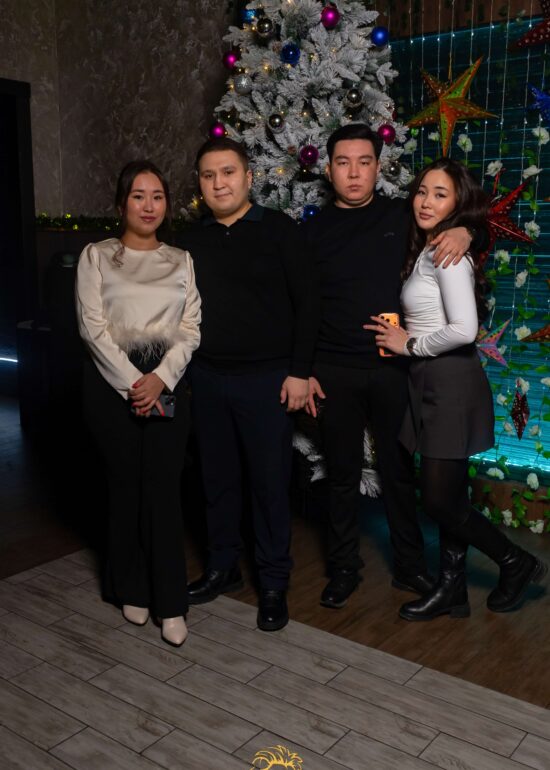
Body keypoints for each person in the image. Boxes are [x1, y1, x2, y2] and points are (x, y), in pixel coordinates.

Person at [304, 123, 483, 609]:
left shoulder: (402, 215)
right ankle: (343, 568)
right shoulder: (311, 230)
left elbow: (454, 214)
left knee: (398, 472)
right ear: (328, 170)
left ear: (378, 168)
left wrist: (467, 230)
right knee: (341, 474)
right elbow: (301, 306)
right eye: (343, 163)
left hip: (394, 367)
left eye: (364, 162)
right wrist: (305, 370)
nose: (354, 172)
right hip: (333, 369)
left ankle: (409, 566)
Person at [364, 158, 547, 620]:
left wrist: (409, 344)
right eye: (422, 191)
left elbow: (465, 330)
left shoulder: (447, 254)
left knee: (439, 500)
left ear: (458, 204)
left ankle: (515, 561)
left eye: (440, 194)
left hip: (448, 380)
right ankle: (453, 589)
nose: (426, 202)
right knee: (450, 494)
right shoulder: (430, 248)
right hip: (431, 379)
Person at [180, 137, 317, 632]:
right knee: (216, 480)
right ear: (200, 184)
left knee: (268, 484)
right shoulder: (190, 241)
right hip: (207, 377)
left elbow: (308, 304)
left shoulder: (279, 230)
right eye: (208, 175)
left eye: (228, 172)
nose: (219, 183)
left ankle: (273, 582)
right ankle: (223, 568)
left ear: (249, 177)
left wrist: (299, 371)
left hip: (267, 380)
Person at [75, 160, 201, 646]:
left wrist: (161, 379)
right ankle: (129, 587)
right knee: (125, 488)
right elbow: (92, 328)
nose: (149, 206)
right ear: (121, 203)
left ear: (167, 204)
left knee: (164, 492)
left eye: (158, 196)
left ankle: (171, 602)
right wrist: (134, 383)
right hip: (113, 383)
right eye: (138, 196)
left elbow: (191, 328)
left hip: (167, 377)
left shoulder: (181, 259)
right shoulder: (97, 256)